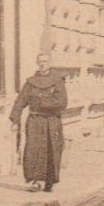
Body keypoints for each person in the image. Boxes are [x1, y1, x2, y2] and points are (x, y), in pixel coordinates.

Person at [10, 53, 68, 192]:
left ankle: (49, 181)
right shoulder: (31, 82)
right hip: (35, 120)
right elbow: (21, 101)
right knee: (33, 149)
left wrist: (42, 101)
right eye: (40, 61)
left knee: (51, 150)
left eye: (45, 61)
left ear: (50, 63)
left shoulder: (57, 80)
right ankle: (34, 181)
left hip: (52, 120)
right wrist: (15, 119)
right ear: (37, 63)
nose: (43, 64)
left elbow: (62, 102)